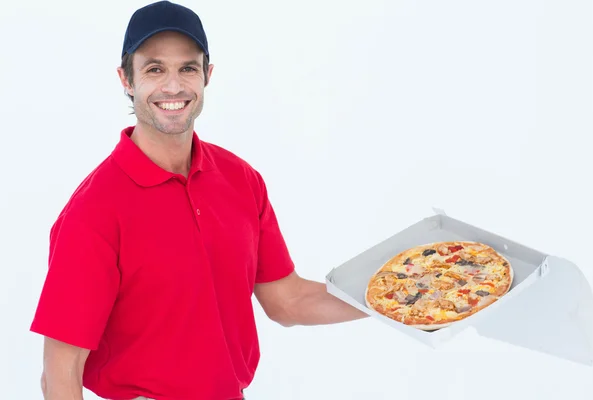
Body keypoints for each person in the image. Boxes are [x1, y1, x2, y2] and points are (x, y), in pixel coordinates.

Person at [29, 1, 367, 399]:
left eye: (187, 68)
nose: (173, 86)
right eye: (154, 69)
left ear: (207, 75)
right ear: (127, 79)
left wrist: (396, 296)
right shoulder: (94, 210)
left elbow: (288, 300)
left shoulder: (242, 180)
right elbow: (61, 368)